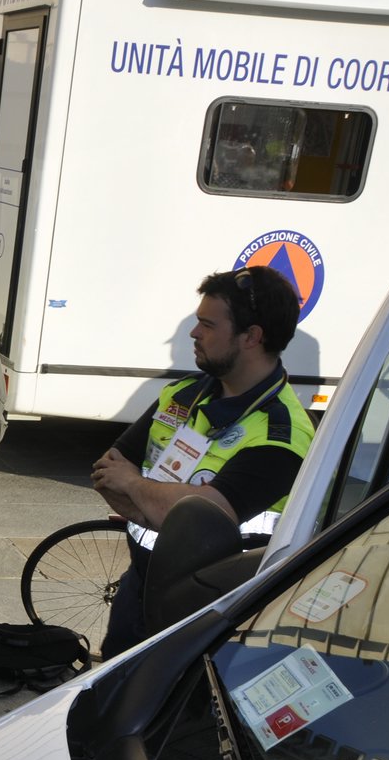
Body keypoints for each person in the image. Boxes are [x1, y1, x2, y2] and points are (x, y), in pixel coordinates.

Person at [92, 266, 313, 658]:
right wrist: (158, 504)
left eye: (207, 325)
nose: (194, 334)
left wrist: (136, 487)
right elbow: (107, 473)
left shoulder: (282, 435)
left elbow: (202, 521)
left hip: (214, 611)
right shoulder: (182, 395)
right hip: (139, 586)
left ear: (252, 337)